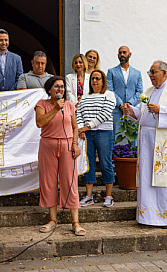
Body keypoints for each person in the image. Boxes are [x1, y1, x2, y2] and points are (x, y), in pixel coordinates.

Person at [123, 60, 167, 228]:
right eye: (149, 73)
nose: (150, 76)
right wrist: (130, 111)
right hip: (147, 143)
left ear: (164, 73)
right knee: (147, 178)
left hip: (165, 145)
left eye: (153, 72)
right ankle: (149, 217)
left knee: (164, 179)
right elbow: (142, 112)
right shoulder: (149, 91)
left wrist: (162, 109)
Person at [35, 76, 85, 236]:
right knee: (49, 182)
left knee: (70, 181)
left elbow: (75, 127)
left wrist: (75, 143)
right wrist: (55, 109)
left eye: (62, 87)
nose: (60, 90)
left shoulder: (69, 105)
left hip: (67, 146)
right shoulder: (42, 104)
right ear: (49, 89)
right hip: (48, 146)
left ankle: (76, 222)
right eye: (56, 87)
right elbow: (40, 123)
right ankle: (52, 220)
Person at [77, 70, 116, 207]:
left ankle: (109, 196)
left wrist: (87, 127)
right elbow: (79, 113)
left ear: (103, 81)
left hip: (104, 133)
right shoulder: (85, 97)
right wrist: (81, 129)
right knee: (88, 165)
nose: (95, 81)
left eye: (98, 78)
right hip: (87, 134)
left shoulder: (109, 95)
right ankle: (88, 197)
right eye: (93, 78)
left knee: (105, 163)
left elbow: (105, 114)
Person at [107, 45, 143, 138]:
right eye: (120, 53)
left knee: (133, 138)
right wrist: (120, 104)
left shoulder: (137, 73)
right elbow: (110, 90)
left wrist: (130, 104)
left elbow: (139, 92)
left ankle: (133, 153)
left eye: (124, 52)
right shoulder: (111, 72)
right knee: (116, 137)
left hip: (132, 110)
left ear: (130, 54)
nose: (122, 54)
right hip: (117, 110)